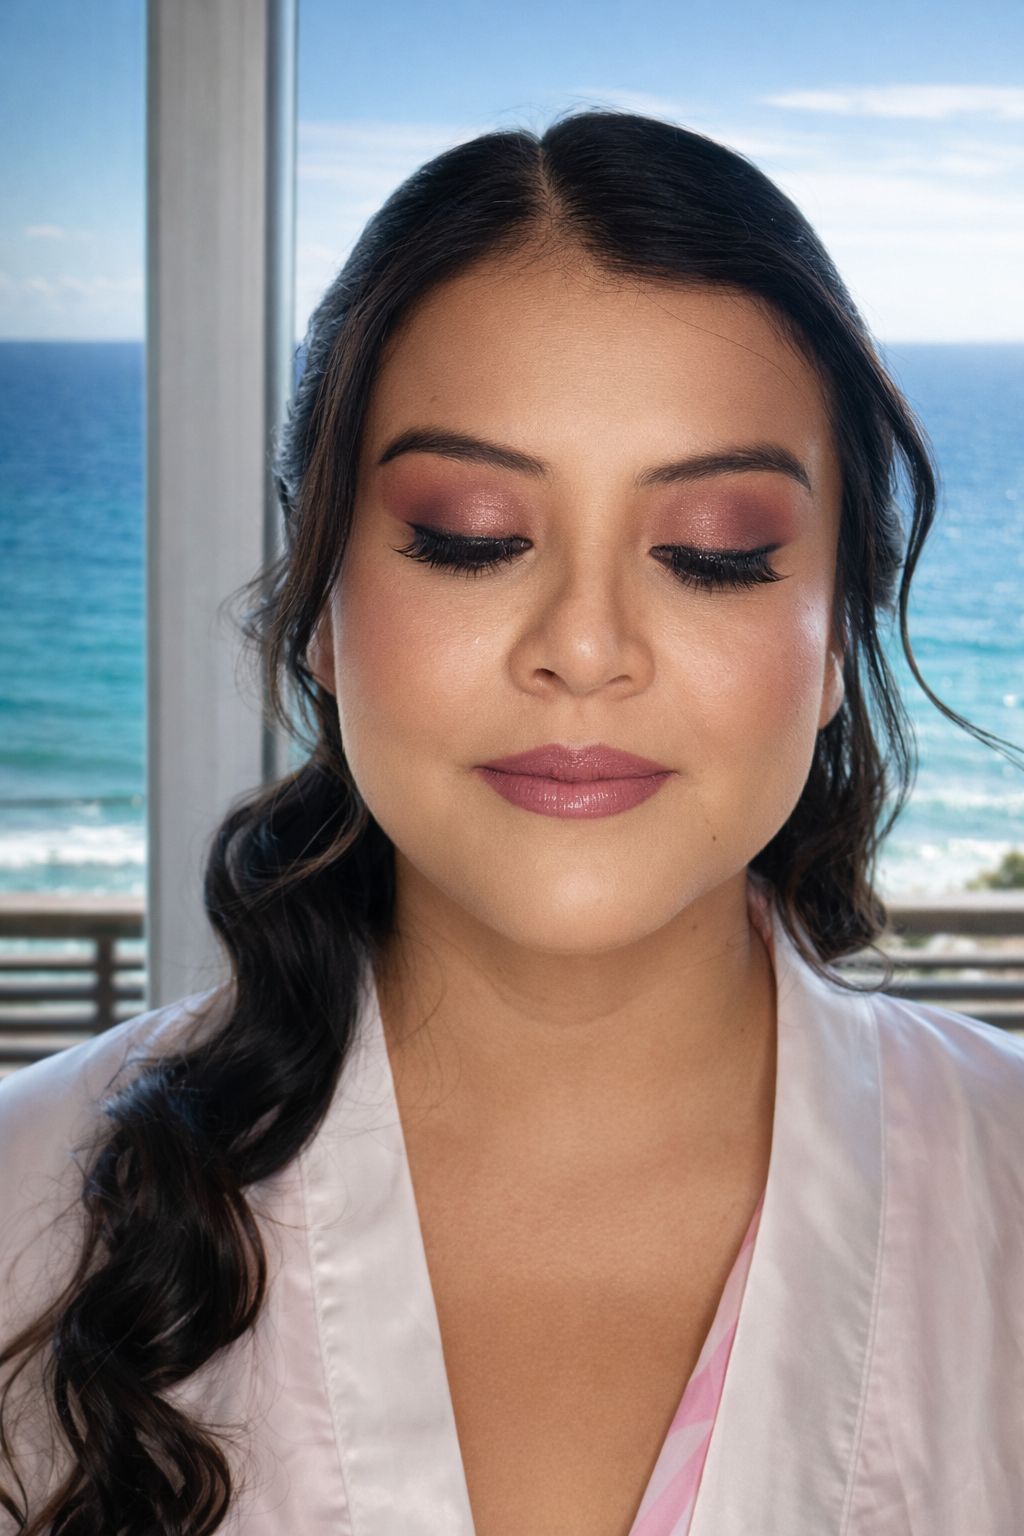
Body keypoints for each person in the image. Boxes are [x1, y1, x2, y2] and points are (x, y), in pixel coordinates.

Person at [1, 108, 1022, 1536]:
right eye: (471, 538)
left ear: (838, 632)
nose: (586, 647)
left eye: (716, 553)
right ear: (323, 611)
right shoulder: (20, 1204)